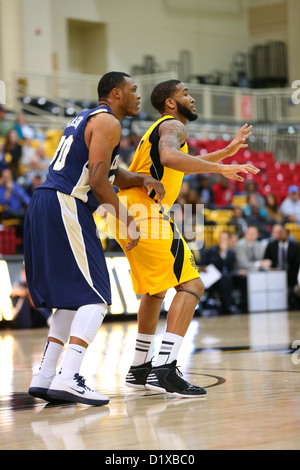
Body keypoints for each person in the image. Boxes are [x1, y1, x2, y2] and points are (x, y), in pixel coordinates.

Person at [108, 79, 259, 397]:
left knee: (155, 291)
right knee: (193, 284)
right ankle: (166, 367)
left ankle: (139, 368)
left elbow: (177, 166)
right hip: (146, 211)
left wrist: (224, 153)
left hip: (127, 211)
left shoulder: (164, 128)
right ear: (171, 103)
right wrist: (220, 168)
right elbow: (169, 157)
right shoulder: (173, 126)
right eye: (185, 93)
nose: (192, 98)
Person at [24, 72, 165, 406]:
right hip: (66, 203)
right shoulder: (109, 123)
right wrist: (127, 223)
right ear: (116, 94)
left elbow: (109, 173)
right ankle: (69, 376)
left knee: (72, 299)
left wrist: (141, 178)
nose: (138, 96)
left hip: (45, 201)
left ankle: (44, 375)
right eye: (133, 90)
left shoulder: (85, 119)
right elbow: (100, 182)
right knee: (98, 295)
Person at [234, 225, 271, 312]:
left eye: (254, 234)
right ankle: (245, 307)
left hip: (254, 272)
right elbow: (243, 264)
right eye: (249, 233)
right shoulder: (240, 245)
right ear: (245, 234)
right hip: (241, 272)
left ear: (257, 235)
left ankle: (262, 304)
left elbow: (261, 260)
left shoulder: (258, 245)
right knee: (245, 278)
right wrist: (259, 264)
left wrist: (266, 266)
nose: (251, 236)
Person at [264, 225, 300, 309]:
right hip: (274, 273)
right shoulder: (271, 246)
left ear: (288, 234)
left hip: (292, 274)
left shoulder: (295, 247)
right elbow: (266, 260)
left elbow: (297, 264)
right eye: (280, 233)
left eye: (283, 233)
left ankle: (294, 305)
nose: (281, 235)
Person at [204, 231, 237, 314]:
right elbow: (213, 265)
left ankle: (228, 305)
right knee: (223, 279)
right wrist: (221, 253)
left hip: (226, 278)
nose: (222, 241)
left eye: (224, 239)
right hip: (213, 278)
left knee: (227, 278)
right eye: (221, 239)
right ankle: (227, 306)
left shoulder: (230, 252)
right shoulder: (213, 250)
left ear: (228, 240)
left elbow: (231, 267)